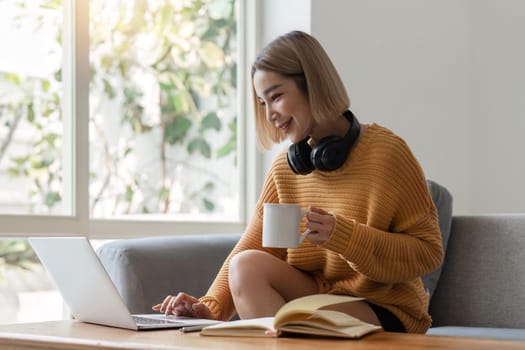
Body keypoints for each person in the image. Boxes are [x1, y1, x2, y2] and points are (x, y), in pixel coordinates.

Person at [152, 30, 443, 334]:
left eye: (276, 96)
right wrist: (209, 307)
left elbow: (428, 252)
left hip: (382, 306)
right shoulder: (286, 167)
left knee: (294, 315)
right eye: (263, 102)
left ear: (312, 85)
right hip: (315, 301)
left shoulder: (387, 153)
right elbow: (251, 247)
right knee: (246, 266)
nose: (270, 114)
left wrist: (345, 236)